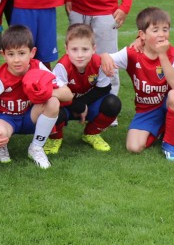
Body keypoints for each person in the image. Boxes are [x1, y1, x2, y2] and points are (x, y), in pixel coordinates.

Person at [0, 25, 72, 169]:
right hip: (5, 118)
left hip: (29, 116)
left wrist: (47, 92)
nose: (16, 60)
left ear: (32, 53)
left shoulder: (38, 68)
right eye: (11, 54)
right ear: (3, 55)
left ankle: (36, 147)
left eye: (21, 53)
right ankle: (0, 146)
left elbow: (68, 94)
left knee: (53, 102)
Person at [101, 7, 174, 161]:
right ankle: (162, 129)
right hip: (146, 110)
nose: (161, 34)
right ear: (142, 35)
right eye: (155, 30)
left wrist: (162, 55)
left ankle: (170, 144)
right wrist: (104, 56)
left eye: (165, 29)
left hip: (167, 104)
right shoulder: (132, 53)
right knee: (133, 147)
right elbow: (106, 59)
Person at [46, 24, 122, 154]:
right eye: (74, 49)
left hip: (87, 104)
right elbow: (56, 95)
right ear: (66, 49)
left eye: (85, 49)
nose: (80, 55)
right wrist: (78, 106)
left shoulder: (99, 63)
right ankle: (54, 138)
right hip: (66, 106)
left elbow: (103, 89)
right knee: (52, 107)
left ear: (93, 49)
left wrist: (83, 104)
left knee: (113, 103)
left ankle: (91, 133)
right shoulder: (62, 67)